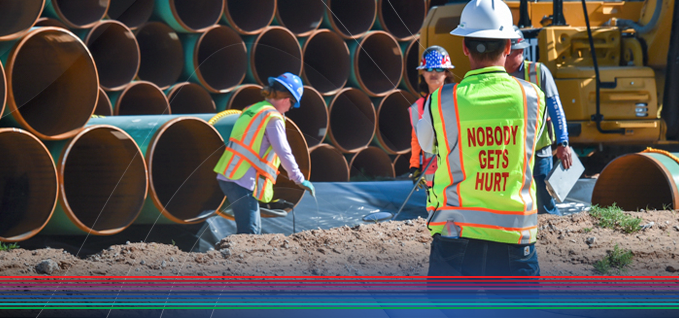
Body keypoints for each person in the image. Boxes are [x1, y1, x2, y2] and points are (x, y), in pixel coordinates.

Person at [416, 0, 545, 276]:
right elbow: (534, 145)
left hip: (454, 235)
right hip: (514, 236)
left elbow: (427, 145)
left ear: (464, 47)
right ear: (509, 46)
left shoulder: (440, 101)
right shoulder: (532, 96)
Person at [213, 72, 315, 234]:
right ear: (286, 98)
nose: (290, 109)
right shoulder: (273, 118)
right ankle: (236, 259)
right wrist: (298, 178)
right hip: (242, 179)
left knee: (251, 230)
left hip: (230, 174)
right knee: (250, 233)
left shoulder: (252, 109)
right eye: (292, 104)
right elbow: (284, 151)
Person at [505, 25, 571, 216]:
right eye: (511, 52)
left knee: (544, 202)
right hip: (510, 152)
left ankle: (553, 237)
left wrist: (563, 143)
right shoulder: (497, 76)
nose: (517, 54)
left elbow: (555, 108)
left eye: (517, 51)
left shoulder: (537, 72)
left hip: (538, 151)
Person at [408, 46, 455, 189]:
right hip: (431, 175)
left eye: (439, 69)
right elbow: (416, 139)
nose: (434, 73)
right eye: (429, 69)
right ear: (422, 72)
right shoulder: (417, 108)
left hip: (455, 173)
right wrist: (414, 166)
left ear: (446, 72)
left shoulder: (458, 101)